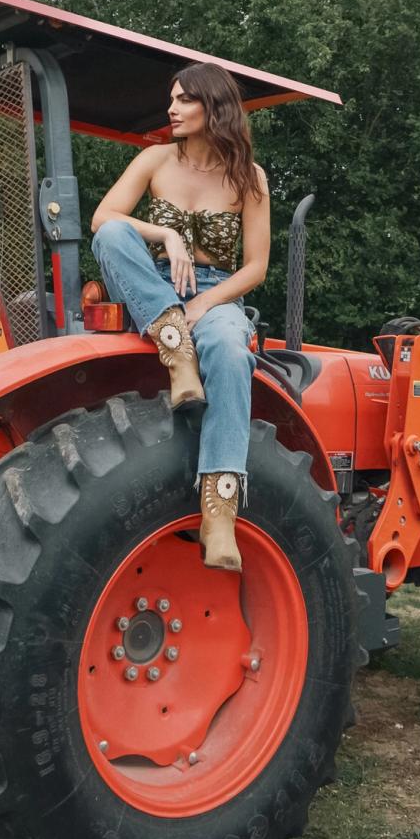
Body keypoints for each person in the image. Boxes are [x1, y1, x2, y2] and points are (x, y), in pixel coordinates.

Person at [91, 62, 270, 573]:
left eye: (184, 99)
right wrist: (166, 236)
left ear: (214, 106)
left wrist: (202, 305)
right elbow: (104, 219)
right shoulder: (154, 159)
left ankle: (218, 513)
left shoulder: (249, 177)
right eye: (171, 99)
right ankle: (177, 355)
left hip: (214, 294)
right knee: (112, 236)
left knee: (232, 351)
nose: (171, 109)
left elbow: (255, 267)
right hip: (152, 289)